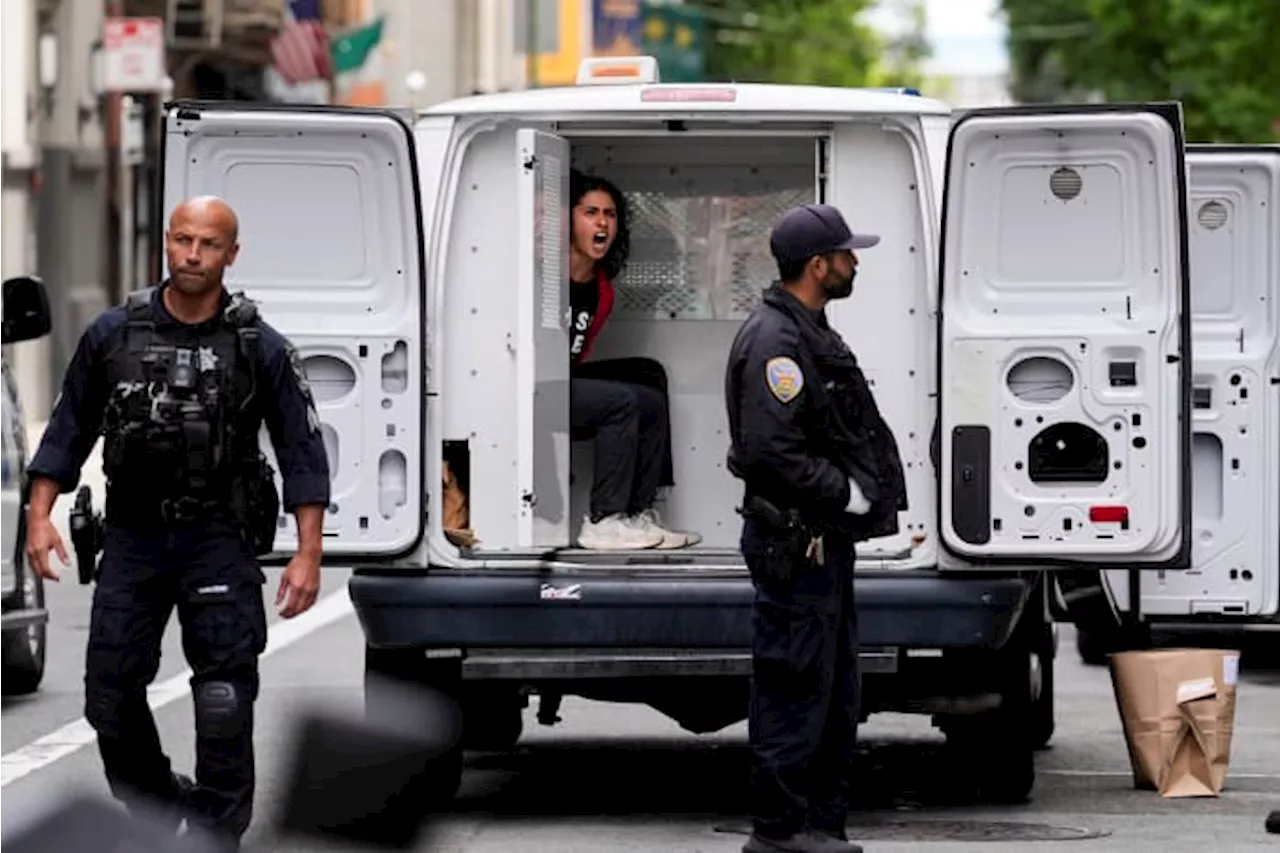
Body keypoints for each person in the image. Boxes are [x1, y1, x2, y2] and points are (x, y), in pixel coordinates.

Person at [24, 196, 332, 851]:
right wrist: (38, 514)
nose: (193, 255)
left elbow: (302, 447)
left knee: (223, 695)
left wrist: (309, 552)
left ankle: (217, 831)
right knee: (109, 699)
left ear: (232, 254)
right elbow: (69, 426)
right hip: (133, 536)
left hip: (217, 536)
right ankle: (163, 807)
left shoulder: (259, 345)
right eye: (183, 240)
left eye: (209, 244)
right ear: (167, 241)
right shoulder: (113, 333)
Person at [724, 203, 909, 853]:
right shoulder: (777, 341)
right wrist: (848, 490)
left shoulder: (807, 329)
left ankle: (820, 825)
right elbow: (772, 450)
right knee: (794, 683)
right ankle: (779, 831)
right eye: (847, 253)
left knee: (831, 688)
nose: (855, 261)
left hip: (821, 541)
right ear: (817, 264)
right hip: (795, 542)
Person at [567, 168, 701, 551]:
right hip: (533, 389)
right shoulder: (542, 275)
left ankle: (637, 515)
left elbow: (579, 354)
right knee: (621, 402)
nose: (602, 222)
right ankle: (603, 520)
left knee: (648, 377)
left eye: (610, 214)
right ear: (568, 219)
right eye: (590, 212)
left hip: (565, 382)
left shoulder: (602, 289)